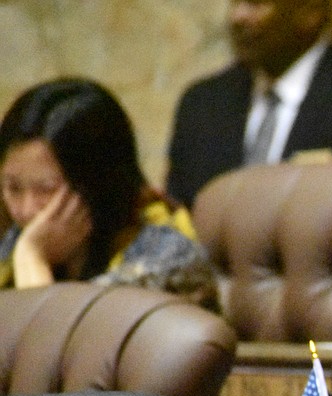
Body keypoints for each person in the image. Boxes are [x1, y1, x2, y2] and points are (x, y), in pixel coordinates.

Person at [166, 0, 332, 206]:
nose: (237, 17)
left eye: (256, 3)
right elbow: (176, 222)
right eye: (235, 2)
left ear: (310, 13)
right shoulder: (201, 103)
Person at [0, 78, 217, 309]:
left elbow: (60, 340)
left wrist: (32, 257)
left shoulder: (168, 258)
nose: (25, 209)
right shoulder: (18, 237)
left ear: (97, 183)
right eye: (13, 188)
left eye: (46, 189)